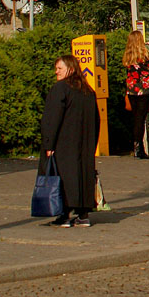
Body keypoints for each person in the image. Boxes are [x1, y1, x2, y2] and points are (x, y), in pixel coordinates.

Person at [40, 54, 99, 227]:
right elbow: (96, 119)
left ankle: (63, 215)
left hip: (64, 142)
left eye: (59, 69)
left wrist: (49, 143)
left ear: (70, 69)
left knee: (62, 177)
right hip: (84, 144)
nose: (56, 72)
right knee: (83, 176)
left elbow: (52, 118)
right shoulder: (88, 91)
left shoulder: (61, 89)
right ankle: (83, 214)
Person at [122, 31, 149, 159]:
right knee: (140, 120)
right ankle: (139, 149)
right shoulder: (145, 57)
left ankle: (137, 147)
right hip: (143, 91)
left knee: (136, 119)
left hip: (131, 91)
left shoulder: (128, 57)